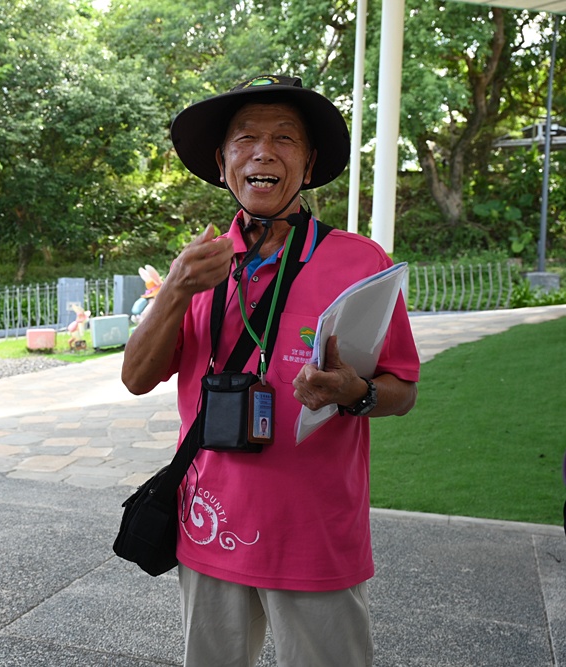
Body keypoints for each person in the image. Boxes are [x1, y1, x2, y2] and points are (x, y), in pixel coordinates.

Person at [122, 75, 420, 666]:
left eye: (285, 138)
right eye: (246, 139)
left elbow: (402, 389)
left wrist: (354, 393)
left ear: (308, 166)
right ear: (223, 161)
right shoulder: (201, 263)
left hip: (317, 535)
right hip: (210, 528)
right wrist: (178, 288)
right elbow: (136, 377)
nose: (263, 151)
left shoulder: (360, 262)